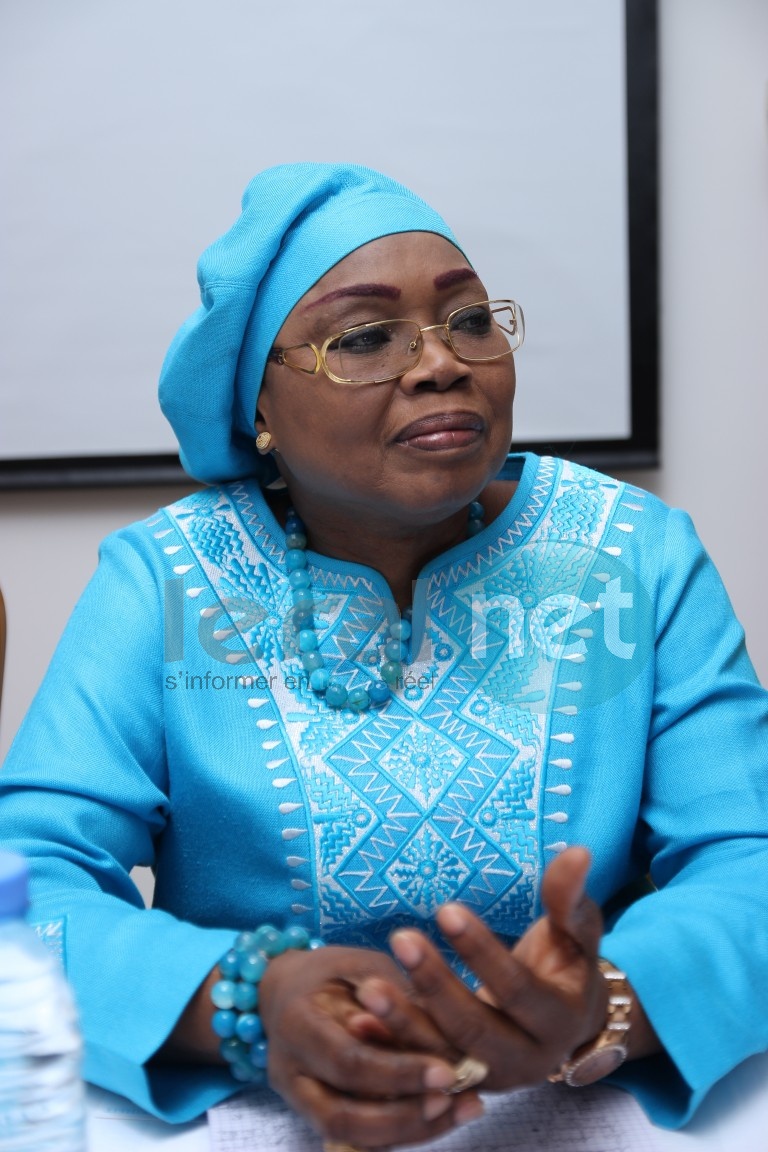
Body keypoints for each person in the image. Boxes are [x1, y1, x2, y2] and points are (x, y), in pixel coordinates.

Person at [1, 162, 767, 1149]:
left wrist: (605, 1003)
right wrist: (244, 1002)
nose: (442, 363)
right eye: (365, 338)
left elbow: (750, 859)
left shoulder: (634, 557)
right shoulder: (167, 579)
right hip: (255, 1102)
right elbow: (29, 878)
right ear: (258, 408)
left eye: (472, 320)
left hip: (584, 1094)